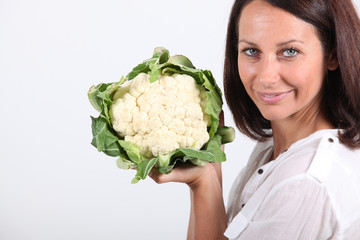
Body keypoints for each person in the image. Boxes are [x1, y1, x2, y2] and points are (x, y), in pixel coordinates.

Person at [149, 0, 360, 239]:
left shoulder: (305, 183)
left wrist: (205, 183)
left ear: (332, 55)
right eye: (251, 51)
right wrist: (206, 177)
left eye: (290, 51)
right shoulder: (276, 146)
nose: (266, 77)